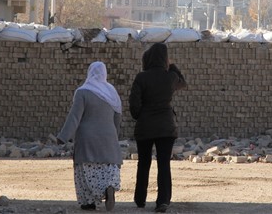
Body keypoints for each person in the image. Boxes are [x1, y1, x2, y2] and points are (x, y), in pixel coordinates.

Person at [129, 43, 187, 213]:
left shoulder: (141, 77)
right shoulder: (170, 77)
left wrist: (141, 116)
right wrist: (173, 67)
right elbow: (183, 83)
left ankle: (140, 199)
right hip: (166, 127)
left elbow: (134, 105)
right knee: (164, 164)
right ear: (165, 59)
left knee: (144, 163)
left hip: (145, 127)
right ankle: (162, 201)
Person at [57, 61, 123, 212]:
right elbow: (118, 116)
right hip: (109, 137)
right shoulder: (111, 92)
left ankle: (88, 202)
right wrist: (115, 136)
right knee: (108, 167)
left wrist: (63, 136)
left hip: (87, 139)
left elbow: (75, 116)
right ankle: (108, 187)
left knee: (86, 169)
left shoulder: (83, 92)